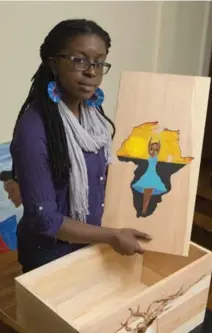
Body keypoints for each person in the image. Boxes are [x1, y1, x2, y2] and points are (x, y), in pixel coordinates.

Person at [6, 19, 151, 273]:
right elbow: (44, 220)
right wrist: (111, 236)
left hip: (91, 245)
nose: (91, 72)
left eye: (99, 62)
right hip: (51, 256)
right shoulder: (34, 129)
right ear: (53, 63)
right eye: (79, 60)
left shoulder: (92, 117)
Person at [132, 138, 167, 215]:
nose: (154, 150)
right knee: (145, 194)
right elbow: (148, 148)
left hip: (153, 176)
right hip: (147, 175)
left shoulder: (156, 156)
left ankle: (145, 209)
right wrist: (150, 141)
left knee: (149, 195)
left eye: (156, 148)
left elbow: (159, 148)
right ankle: (144, 209)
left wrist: (159, 142)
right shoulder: (150, 155)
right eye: (152, 148)